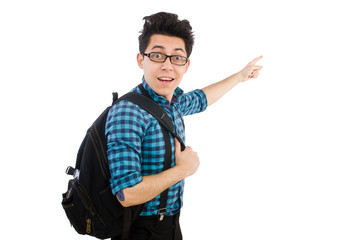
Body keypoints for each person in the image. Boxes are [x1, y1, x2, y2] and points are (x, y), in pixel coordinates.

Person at [106, 12, 263, 240]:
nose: (167, 66)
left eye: (177, 58)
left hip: (170, 224)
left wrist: (240, 76)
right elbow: (126, 193)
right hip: (139, 229)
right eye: (158, 55)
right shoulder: (128, 112)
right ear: (141, 60)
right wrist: (184, 170)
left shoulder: (172, 102)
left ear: (186, 64)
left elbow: (202, 99)